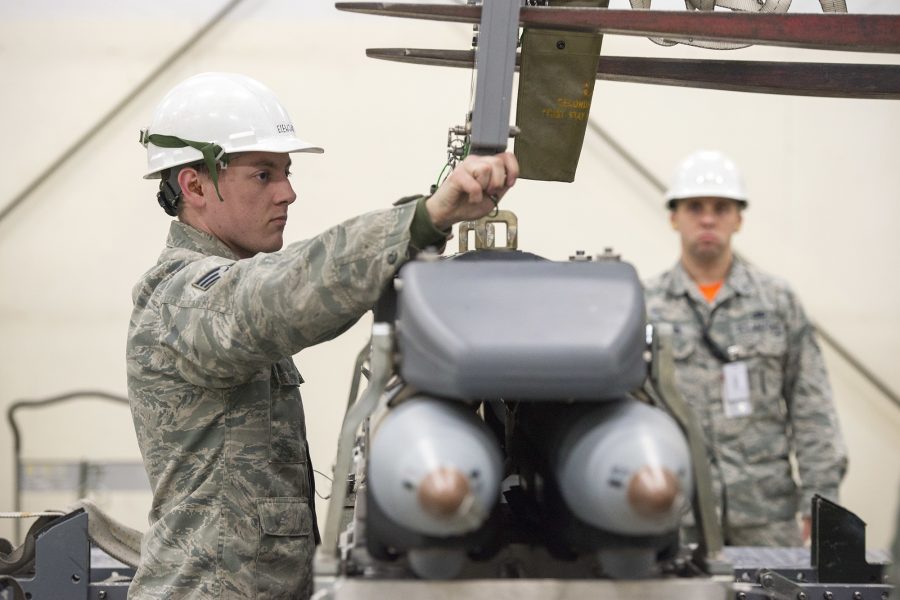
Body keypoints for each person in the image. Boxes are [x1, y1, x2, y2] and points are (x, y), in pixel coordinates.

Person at [126, 72, 518, 599]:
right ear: (194, 185)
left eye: (286, 172)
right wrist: (423, 220)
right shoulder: (179, 297)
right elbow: (282, 293)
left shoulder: (221, 286)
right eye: (263, 175)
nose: (288, 192)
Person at [643, 150, 847, 547]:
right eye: (695, 206)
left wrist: (821, 503)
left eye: (721, 207)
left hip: (765, 516)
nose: (707, 218)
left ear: (738, 218)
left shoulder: (776, 302)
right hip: (673, 509)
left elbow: (812, 408)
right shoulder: (644, 305)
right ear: (674, 217)